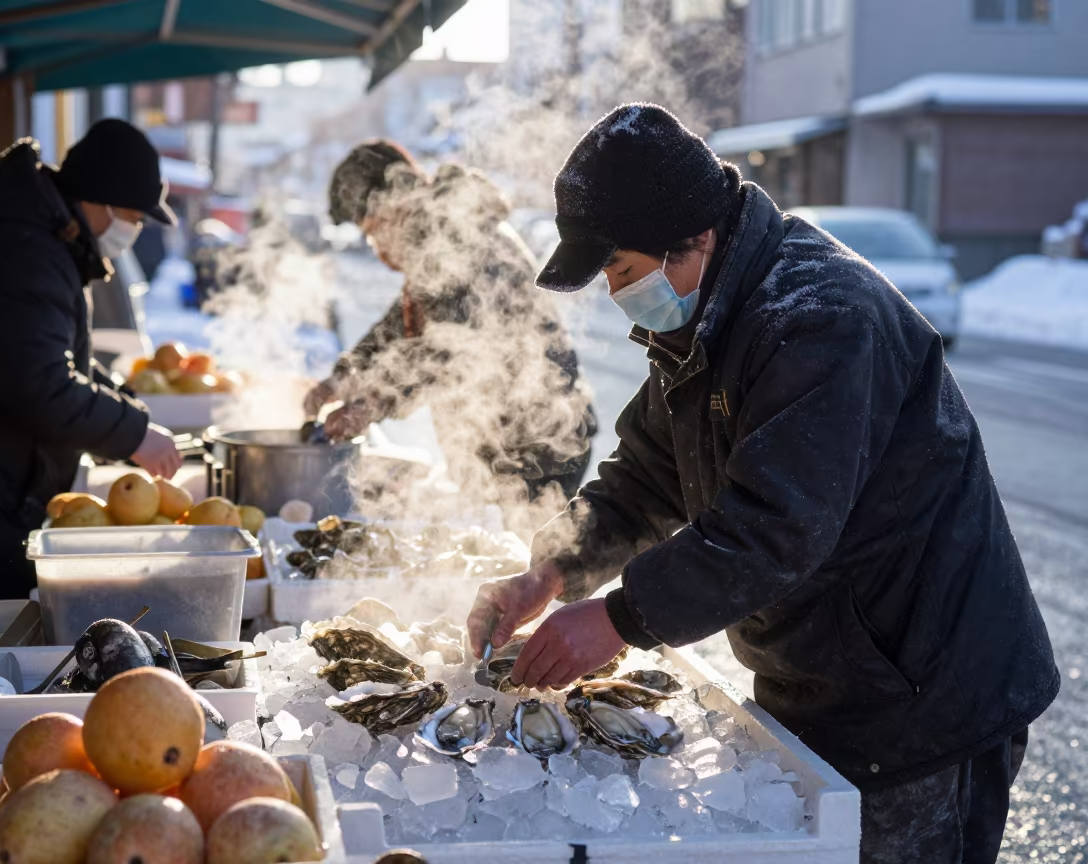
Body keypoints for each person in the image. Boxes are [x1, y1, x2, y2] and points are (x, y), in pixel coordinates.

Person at [466, 104, 1058, 862]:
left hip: (921, 697)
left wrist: (618, 618)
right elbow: (646, 477)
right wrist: (548, 573)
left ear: (695, 239)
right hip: (820, 680)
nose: (616, 294)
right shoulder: (702, 319)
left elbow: (776, 526)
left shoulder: (818, 316)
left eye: (621, 269)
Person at [0, 119, 181, 602]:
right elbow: (39, 388)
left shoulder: (40, 243)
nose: (133, 229)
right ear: (101, 200)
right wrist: (132, 431)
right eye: (133, 216)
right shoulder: (23, 252)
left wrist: (128, 410)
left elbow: (61, 361)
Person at [307, 141, 596, 510]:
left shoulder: (459, 236)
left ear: (394, 203)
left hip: (537, 442)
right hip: (494, 442)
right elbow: (400, 326)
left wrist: (371, 404)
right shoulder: (436, 237)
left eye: (374, 229)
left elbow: (453, 350)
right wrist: (344, 375)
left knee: (517, 555)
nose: (377, 247)